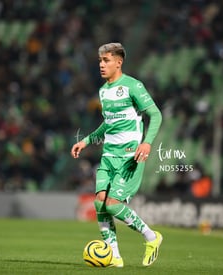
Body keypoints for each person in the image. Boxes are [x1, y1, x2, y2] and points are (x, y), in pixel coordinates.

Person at [71, 43, 163, 267]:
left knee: (113, 205)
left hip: (129, 157)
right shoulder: (103, 91)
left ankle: (152, 237)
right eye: (100, 61)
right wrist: (86, 140)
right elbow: (108, 125)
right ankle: (114, 256)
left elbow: (155, 114)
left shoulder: (133, 86)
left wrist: (147, 143)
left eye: (106, 61)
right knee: (100, 202)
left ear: (118, 62)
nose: (101, 65)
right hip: (108, 157)